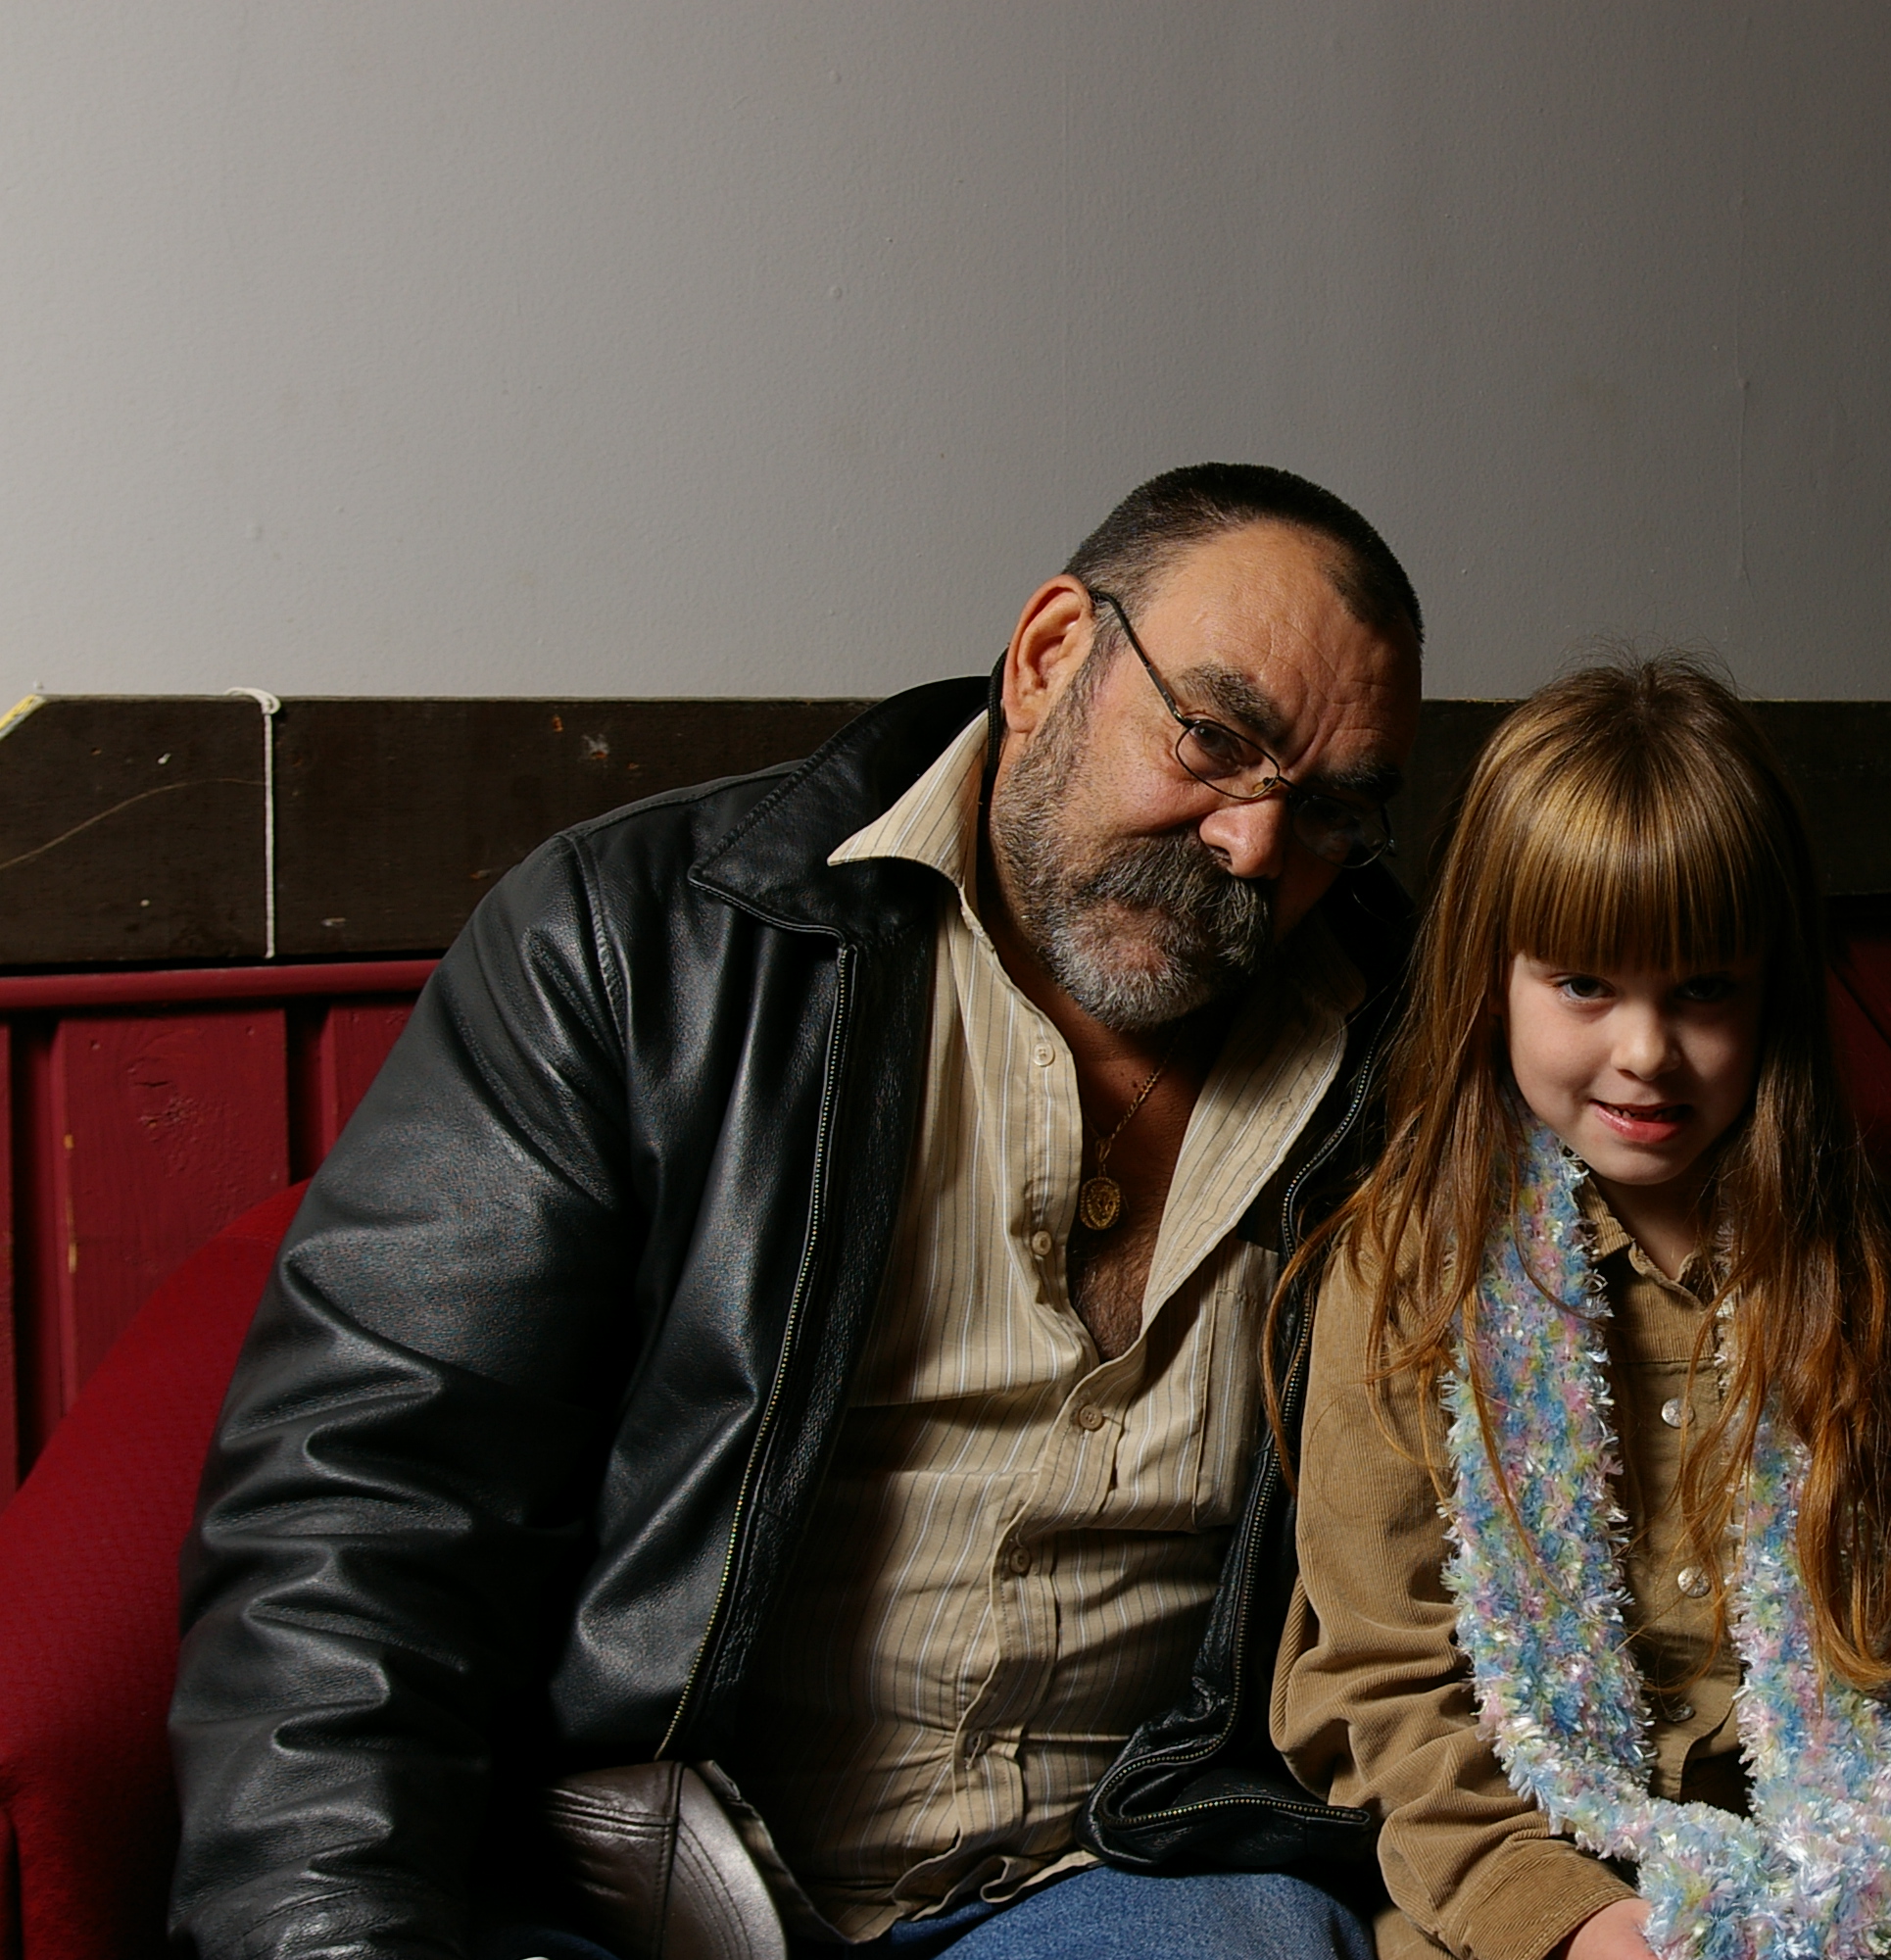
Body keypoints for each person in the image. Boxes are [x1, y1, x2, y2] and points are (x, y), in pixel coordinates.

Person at [170, 464, 1425, 1960]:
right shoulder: (641, 946)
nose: (1253, 847)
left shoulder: (1412, 1052)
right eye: (1213, 739)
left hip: (1117, 1886)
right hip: (632, 1896)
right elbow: (365, 1510)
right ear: (1049, 657)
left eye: (1327, 810)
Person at [1269, 658, 1891, 1960]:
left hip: (1794, 1880)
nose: (1645, 1052)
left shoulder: (1872, 1283)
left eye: (1702, 988)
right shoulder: (1409, 1281)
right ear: (1494, 977)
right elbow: (1391, 1690)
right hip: (1511, 1874)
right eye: (1584, 985)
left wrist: (1880, 1894)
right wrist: (1582, 1925)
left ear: (1771, 991)